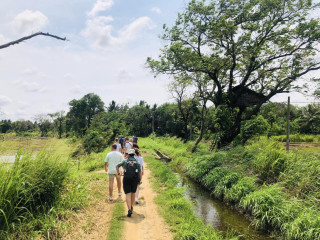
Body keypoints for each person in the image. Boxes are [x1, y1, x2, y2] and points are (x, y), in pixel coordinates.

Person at [116, 149, 142, 217]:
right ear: (134, 154)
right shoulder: (137, 162)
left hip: (126, 178)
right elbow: (140, 172)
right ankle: (131, 206)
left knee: (128, 193)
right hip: (134, 179)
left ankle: (129, 209)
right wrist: (140, 179)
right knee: (133, 193)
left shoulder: (125, 160)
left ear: (128, 154)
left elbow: (117, 165)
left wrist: (118, 173)